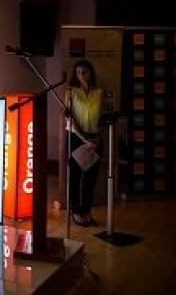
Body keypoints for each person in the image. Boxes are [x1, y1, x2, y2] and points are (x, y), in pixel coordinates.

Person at [64, 59, 103, 227]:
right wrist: (84, 138)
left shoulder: (99, 92)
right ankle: (76, 211)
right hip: (76, 137)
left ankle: (87, 210)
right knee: (75, 176)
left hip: (94, 137)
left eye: (84, 72)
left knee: (90, 178)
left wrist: (97, 136)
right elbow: (68, 118)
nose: (81, 76)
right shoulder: (71, 92)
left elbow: (101, 116)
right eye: (78, 73)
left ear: (91, 73)